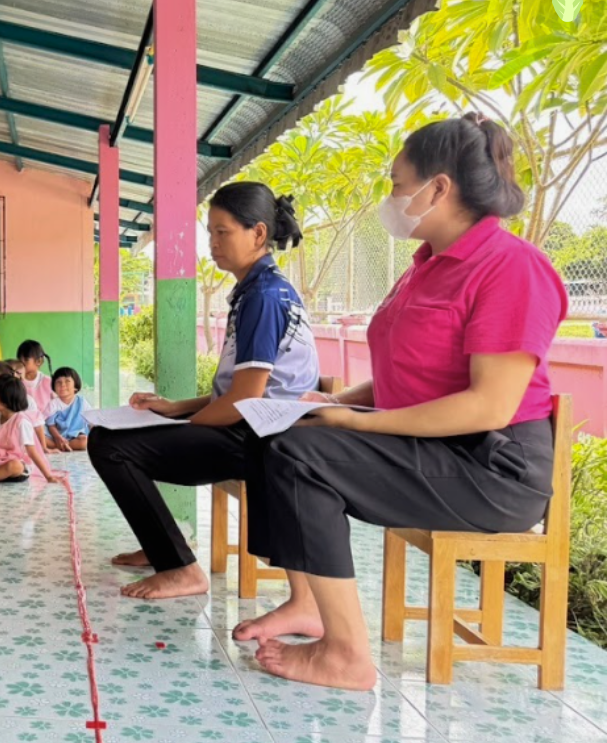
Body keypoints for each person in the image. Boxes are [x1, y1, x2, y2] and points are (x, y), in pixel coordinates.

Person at [232, 114, 566, 691]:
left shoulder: (511, 267)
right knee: (276, 435)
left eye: (397, 184)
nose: (390, 198)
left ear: (438, 188)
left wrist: (359, 423)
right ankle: (305, 603)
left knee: (302, 456)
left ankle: (347, 655)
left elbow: (488, 406)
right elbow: (408, 376)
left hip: (491, 466)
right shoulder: (423, 268)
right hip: (430, 445)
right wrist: (327, 403)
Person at [87, 181, 317, 600]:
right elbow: (238, 391)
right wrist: (174, 408)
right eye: (210, 232)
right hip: (251, 428)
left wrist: (183, 425)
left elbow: (244, 402)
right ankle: (162, 547)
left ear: (258, 234)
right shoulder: (256, 290)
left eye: (222, 232)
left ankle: (180, 568)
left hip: (263, 440)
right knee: (117, 436)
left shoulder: (264, 297)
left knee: (110, 446)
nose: (212, 243)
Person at [45, 367, 91, 451]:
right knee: (38, 436)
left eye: (67, 381)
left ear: (75, 386)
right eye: (58, 382)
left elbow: (91, 421)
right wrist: (58, 437)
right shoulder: (53, 404)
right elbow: (51, 426)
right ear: (54, 388)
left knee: (84, 441)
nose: (62, 384)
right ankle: (59, 445)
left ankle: (61, 446)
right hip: (56, 436)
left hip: (75, 436)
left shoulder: (81, 402)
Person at [17, 340, 55, 416]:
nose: (22, 362)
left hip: (44, 420)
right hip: (23, 420)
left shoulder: (48, 382)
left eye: (26, 359)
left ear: (39, 361)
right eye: (19, 359)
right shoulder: (16, 380)